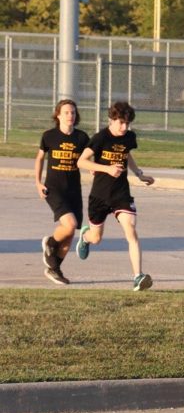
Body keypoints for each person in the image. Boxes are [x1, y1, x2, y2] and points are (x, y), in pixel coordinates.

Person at [75, 101, 155, 290]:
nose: (124, 127)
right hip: (100, 196)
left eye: (127, 123)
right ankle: (85, 238)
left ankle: (138, 276)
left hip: (121, 194)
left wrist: (139, 173)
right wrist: (106, 169)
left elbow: (126, 155)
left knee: (131, 231)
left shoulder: (129, 137)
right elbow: (81, 162)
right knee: (96, 238)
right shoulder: (100, 137)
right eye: (121, 123)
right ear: (111, 120)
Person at [34, 98, 89, 285]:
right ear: (58, 115)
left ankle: (54, 268)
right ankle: (50, 242)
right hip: (54, 188)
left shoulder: (82, 138)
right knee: (70, 224)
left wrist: (94, 168)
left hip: (73, 190)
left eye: (73, 112)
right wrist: (38, 183)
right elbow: (40, 159)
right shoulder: (49, 136)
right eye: (66, 112)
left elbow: (88, 159)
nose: (70, 116)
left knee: (71, 232)